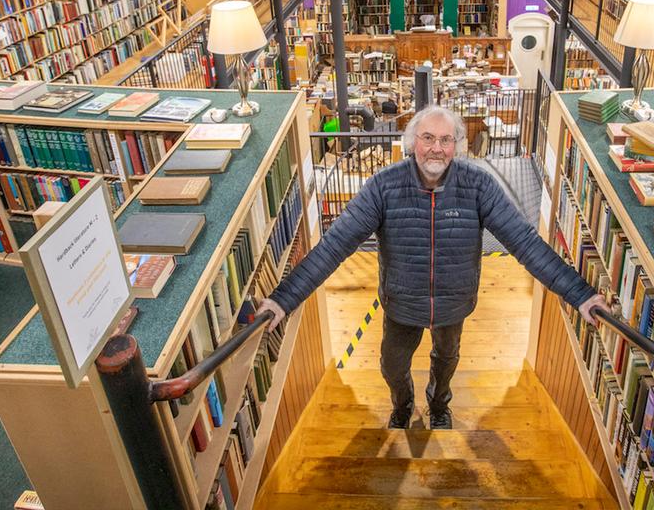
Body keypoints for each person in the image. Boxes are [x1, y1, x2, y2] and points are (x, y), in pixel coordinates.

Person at [257, 104, 609, 429]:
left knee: (446, 360)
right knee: (392, 366)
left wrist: (581, 295)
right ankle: (404, 403)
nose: (436, 148)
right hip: (401, 305)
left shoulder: (478, 186)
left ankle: (439, 406)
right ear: (412, 143)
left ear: (456, 145)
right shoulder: (383, 186)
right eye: (428, 138)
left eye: (446, 139)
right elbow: (334, 247)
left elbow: (526, 244)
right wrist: (282, 301)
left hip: (453, 305)